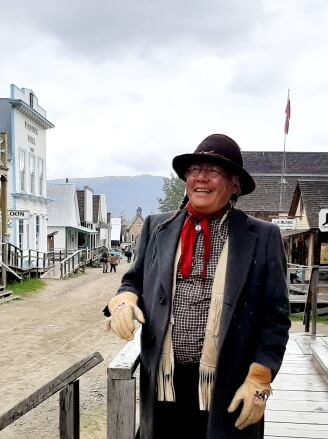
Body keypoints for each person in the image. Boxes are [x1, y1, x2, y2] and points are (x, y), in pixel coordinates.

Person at [102, 134, 291, 438]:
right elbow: (134, 279)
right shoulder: (156, 226)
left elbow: (276, 319)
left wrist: (260, 380)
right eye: (194, 170)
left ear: (234, 185)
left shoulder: (263, 237)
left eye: (213, 171)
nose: (201, 178)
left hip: (231, 387)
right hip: (165, 385)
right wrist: (124, 299)